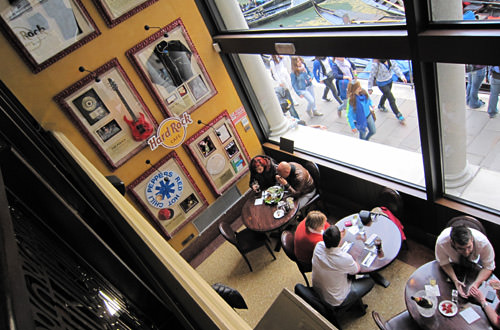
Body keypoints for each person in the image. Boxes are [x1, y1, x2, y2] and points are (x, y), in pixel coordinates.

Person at [312, 226, 375, 308]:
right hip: (335, 299)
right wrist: (352, 257)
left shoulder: (318, 246)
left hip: (318, 290)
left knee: (345, 271)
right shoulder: (343, 259)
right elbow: (357, 269)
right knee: (370, 280)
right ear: (339, 240)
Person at [435, 225, 495, 298]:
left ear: (472, 239)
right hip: (453, 262)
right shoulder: (442, 242)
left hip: (474, 261)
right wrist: (455, 280)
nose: (466, 252)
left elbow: (489, 266)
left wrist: (476, 284)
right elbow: (444, 262)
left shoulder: (483, 242)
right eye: (461, 248)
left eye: (469, 247)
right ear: (452, 243)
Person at [367, 59, 408, 124]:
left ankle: (381, 105)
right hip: (381, 83)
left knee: (386, 94)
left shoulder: (390, 60)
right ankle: (398, 114)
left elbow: (396, 68)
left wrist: (402, 77)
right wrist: (369, 88)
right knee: (391, 99)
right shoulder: (376, 64)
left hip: (389, 80)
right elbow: (371, 76)